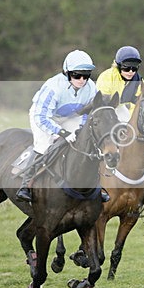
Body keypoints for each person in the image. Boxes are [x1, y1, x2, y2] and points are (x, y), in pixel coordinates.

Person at [16, 49, 99, 202]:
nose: (82, 80)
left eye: (86, 75)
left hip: (69, 116)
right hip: (43, 116)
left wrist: (80, 129)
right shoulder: (53, 87)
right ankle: (25, 184)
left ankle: (96, 185)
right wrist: (62, 132)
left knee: (84, 141)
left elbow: (87, 113)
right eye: (77, 75)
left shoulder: (91, 88)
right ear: (67, 73)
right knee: (44, 145)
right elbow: (41, 117)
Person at [96, 45, 144, 122]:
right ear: (117, 65)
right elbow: (102, 103)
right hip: (104, 109)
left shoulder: (139, 81)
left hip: (120, 107)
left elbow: (136, 105)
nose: (131, 72)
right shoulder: (107, 77)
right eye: (126, 68)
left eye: (134, 67)